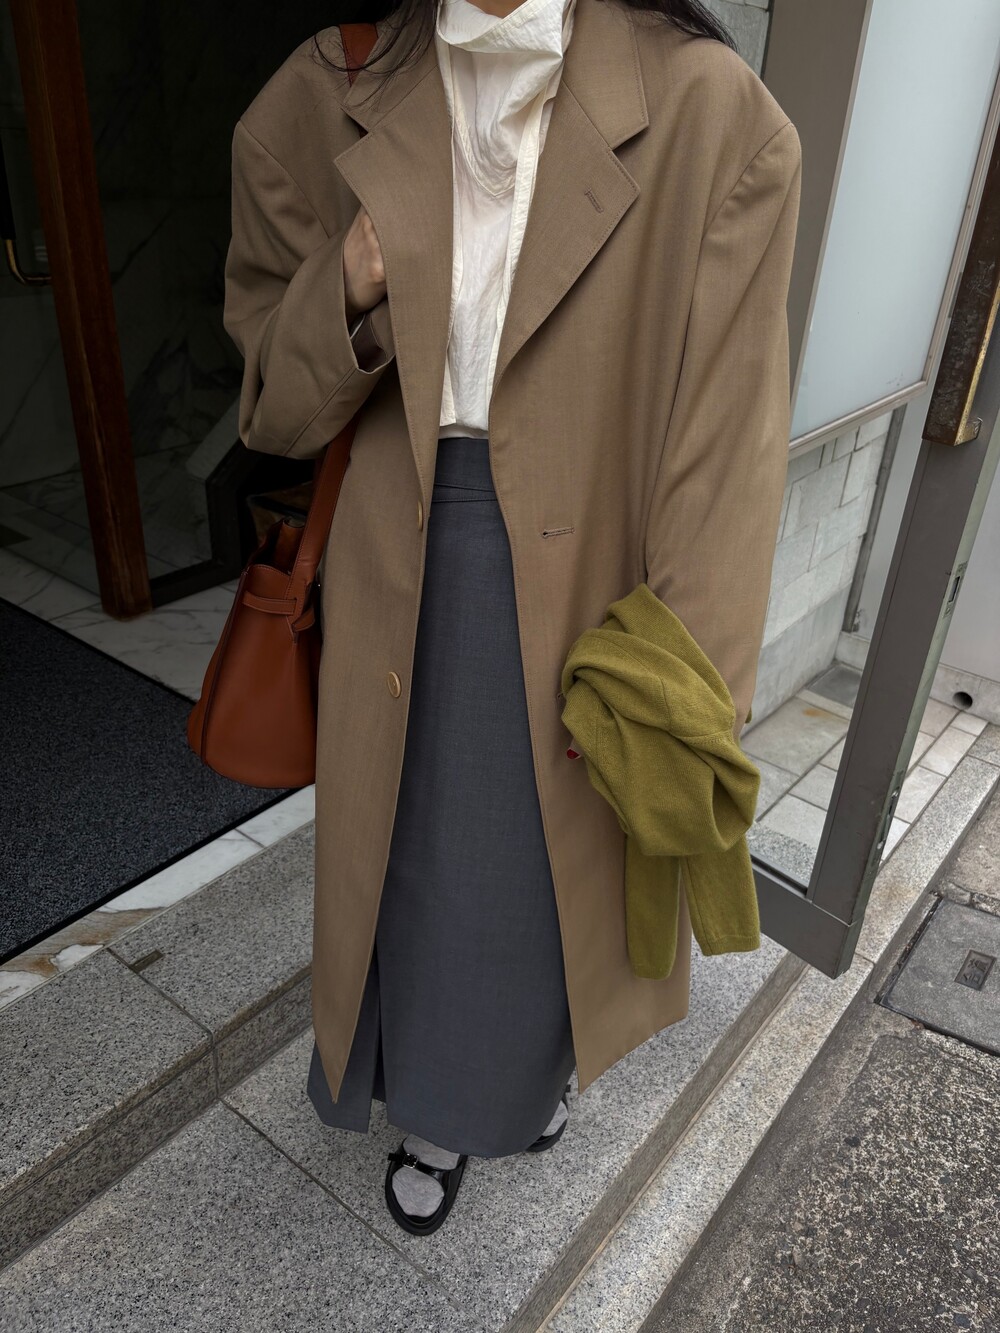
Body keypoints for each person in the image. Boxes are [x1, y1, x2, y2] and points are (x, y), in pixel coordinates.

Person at [223, 0, 802, 1236]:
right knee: (418, 866)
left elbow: (729, 441)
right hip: (405, 544)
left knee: (549, 873)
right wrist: (350, 283)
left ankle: (528, 1075)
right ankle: (437, 1110)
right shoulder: (322, 91)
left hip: (603, 559)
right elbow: (268, 404)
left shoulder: (708, 110)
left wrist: (685, 682)